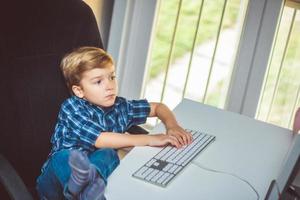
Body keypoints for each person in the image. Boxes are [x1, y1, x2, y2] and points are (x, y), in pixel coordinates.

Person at [36, 46, 193, 199]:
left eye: (112, 77)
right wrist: (151, 139)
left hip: (91, 176)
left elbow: (158, 107)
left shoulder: (120, 106)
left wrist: (172, 126)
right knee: (65, 157)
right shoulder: (71, 107)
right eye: (98, 82)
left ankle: (88, 189)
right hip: (53, 187)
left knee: (109, 154)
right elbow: (101, 138)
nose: (110, 86)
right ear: (79, 91)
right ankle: (79, 188)